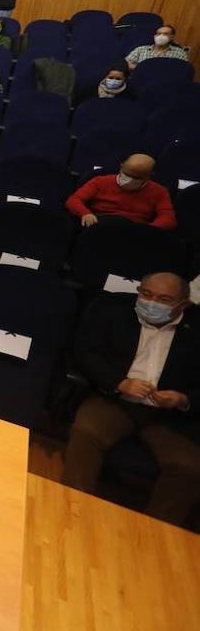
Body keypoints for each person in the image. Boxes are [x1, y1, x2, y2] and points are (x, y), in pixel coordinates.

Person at [63, 274, 200, 525]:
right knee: (86, 432)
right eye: (146, 294)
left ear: (183, 305)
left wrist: (182, 399)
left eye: (164, 299)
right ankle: (72, 506)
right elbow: (85, 352)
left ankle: (157, 530)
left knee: (189, 467)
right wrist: (120, 382)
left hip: (169, 417)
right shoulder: (112, 308)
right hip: (116, 401)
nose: (152, 302)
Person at [66, 154, 176, 229]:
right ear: (121, 167)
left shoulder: (159, 191)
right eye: (127, 174)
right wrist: (85, 213)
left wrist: (148, 229)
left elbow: (168, 218)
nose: (129, 180)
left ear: (149, 176)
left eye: (136, 177)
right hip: (98, 224)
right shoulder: (100, 181)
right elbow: (74, 200)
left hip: (134, 231)